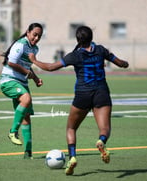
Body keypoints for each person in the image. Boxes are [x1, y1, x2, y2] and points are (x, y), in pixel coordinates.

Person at [29, 25, 129, 175]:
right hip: (101, 92)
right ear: (91, 38)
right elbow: (121, 63)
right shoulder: (101, 50)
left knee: (71, 128)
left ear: (77, 39)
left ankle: (73, 157)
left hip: (82, 94)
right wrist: (125, 64)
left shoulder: (74, 55)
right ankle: (101, 141)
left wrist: (34, 60)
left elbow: (50, 67)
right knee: (105, 129)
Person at [0, 23, 43, 159]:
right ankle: (12, 131)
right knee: (26, 98)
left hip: (22, 83)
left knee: (26, 116)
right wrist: (27, 73)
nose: (36, 38)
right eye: (34, 34)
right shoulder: (20, 44)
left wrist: (35, 78)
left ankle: (28, 152)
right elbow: (11, 63)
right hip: (9, 81)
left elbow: (27, 67)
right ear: (28, 32)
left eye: (39, 36)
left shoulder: (34, 49)